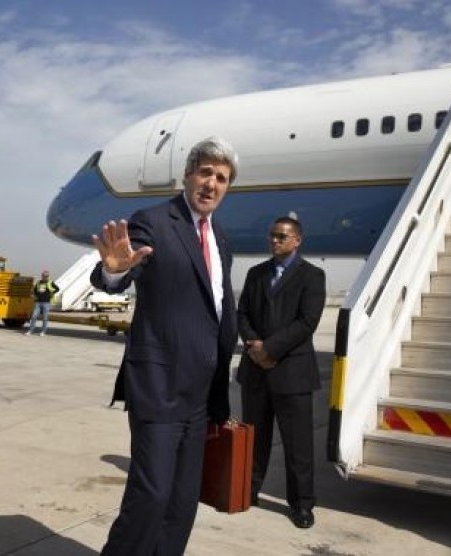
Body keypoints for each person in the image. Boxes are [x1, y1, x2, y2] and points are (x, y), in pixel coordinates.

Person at [91, 136, 239, 555]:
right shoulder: (154, 220)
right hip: (159, 387)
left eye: (222, 178)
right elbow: (115, 274)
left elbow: (218, 309)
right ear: (188, 175)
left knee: (181, 504)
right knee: (150, 497)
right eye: (205, 173)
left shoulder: (219, 238)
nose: (212, 184)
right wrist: (114, 272)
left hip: (200, 394)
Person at [236, 216, 326, 529]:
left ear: (297, 240)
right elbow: (242, 313)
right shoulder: (255, 273)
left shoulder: (312, 276)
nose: (275, 241)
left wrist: (269, 349)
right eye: (272, 236)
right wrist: (254, 346)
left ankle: (301, 504)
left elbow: (307, 322)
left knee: (298, 444)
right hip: (256, 372)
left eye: (282, 237)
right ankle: (249, 491)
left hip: (292, 372)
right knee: (255, 439)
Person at [26, 269, 59, 336]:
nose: (45, 277)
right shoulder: (38, 283)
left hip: (46, 303)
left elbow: (57, 288)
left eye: (46, 276)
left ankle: (43, 332)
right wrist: (33, 296)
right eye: (44, 276)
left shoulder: (50, 282)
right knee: (34, 316)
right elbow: (34, 291)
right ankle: (30, 331)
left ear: (48, 276)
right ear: (42, 276)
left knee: (45, 318)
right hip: (37, 302)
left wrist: (52, 293)